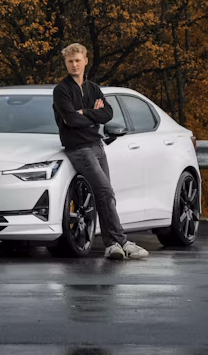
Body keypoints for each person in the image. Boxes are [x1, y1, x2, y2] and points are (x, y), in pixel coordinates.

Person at [52, 43, 149, 260]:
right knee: (106, 192)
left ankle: (111, 245)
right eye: (70, 61)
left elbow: (107, 113)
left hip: (98, 146)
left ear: (86, 61)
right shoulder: (61, 90)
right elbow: (71, 119)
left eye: (78, 60)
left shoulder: (93, 88)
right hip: (79, 149)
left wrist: (86, 113)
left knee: (103, 196)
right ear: (66, 64)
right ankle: (121, 241)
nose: (74, 65)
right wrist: (90, 115)